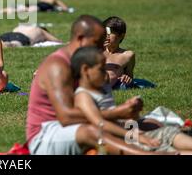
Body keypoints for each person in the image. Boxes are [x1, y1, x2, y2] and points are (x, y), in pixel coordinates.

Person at [26, 15, 162, 155]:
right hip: (48, 136)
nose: (102, 47)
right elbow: (66, 117)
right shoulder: (58, 66)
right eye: (98, 42)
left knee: (149, 123)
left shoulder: (94, 66)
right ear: (80, 39)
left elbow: (102, 112)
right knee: (92, 132)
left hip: (86, 125)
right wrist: (117, 113)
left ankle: (170, 147)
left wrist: (128, 117)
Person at [73, 46, 192, 154]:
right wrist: (139, 136)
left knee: (169, 132)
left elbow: (114, 118)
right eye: (101, 69)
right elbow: (100, 123)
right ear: (85, 70)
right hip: (117, 140)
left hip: (127, 132)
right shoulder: (83, 95)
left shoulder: (102, 88)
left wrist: (131, 112)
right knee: (168, 150)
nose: (106, 74)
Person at [103, 16, 135, 89]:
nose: (106, 36)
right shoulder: (96, 51)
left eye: (109, 33)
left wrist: (127, 78)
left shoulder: (127, 55)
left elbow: (129, 76)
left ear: (121, 35)